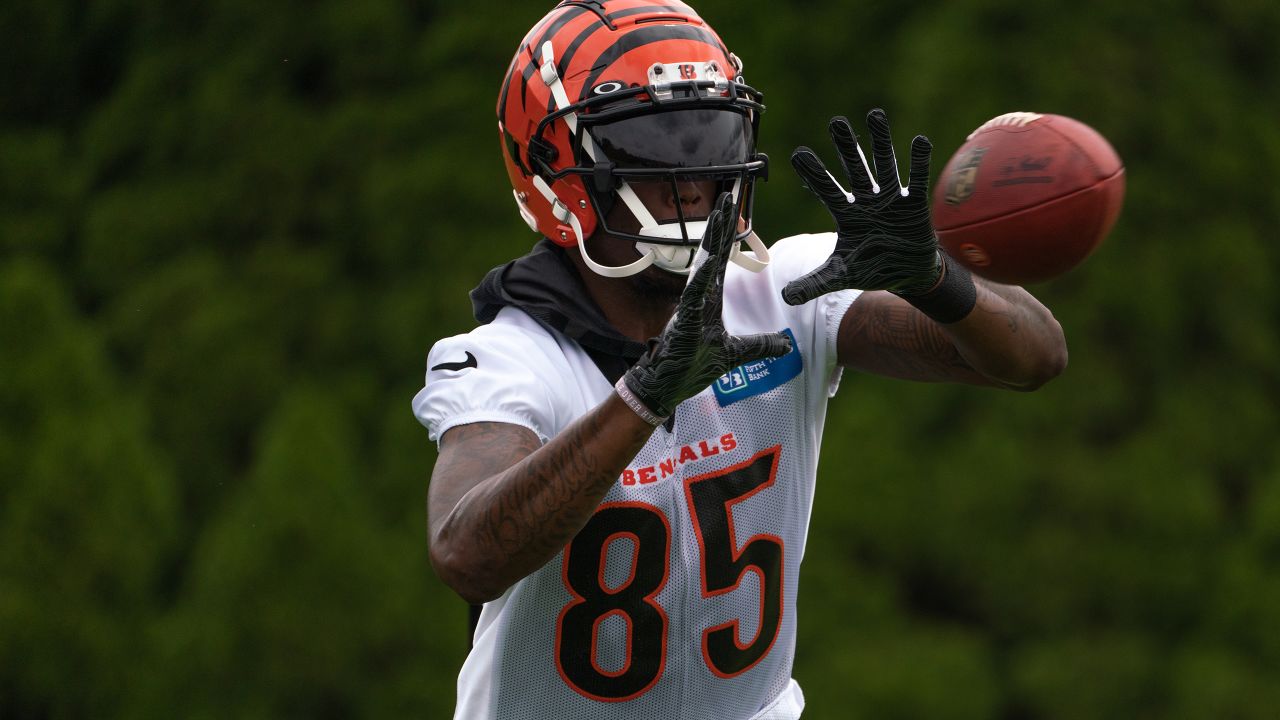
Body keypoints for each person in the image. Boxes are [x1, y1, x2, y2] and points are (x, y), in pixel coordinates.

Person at [412, 1, 1067, 718]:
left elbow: (1036, 356)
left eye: (709, 136)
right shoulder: (514, 357)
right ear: (556, 172)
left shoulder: (781, 288)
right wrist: (643, 397)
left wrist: (936, 281)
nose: (694, 178)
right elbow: (466, 553)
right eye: (652, 146)